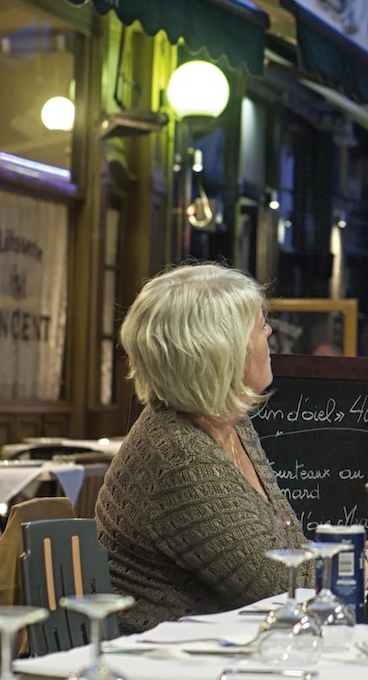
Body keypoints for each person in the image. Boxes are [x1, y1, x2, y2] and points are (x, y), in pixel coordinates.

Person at [96, 263, 305, 632]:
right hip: (157, 657)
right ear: (221, 351)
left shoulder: (230, 424)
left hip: (220, 644)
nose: (269, 331)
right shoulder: (179, 455)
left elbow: (291, 545)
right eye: (258, 326)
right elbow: (278, 585)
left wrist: (365, 556)